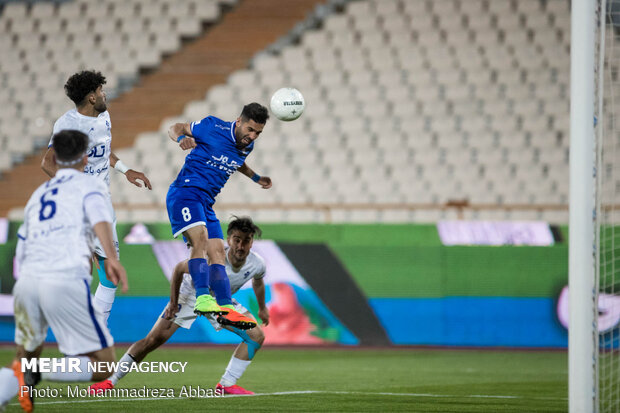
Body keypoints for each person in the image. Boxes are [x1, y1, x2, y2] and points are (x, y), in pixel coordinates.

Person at [0, 130, 129, 412]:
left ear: (55, 158)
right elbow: (99, 217)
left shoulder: (39, 193)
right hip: (64, 279)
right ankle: (30, 373)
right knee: (105, 364)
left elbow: (22, 243)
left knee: (28, 350)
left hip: (27, 281)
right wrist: (111, 257)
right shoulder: (90, 185)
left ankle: (15, 380)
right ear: (85, 158)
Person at [89, 216, 269, 395]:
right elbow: (179, 269)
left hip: (222, 302)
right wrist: (174, 303)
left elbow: (258, 282)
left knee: (256, 336)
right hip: (191, 294)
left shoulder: (257, 263)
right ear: (229, 240)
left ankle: (227, 384)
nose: (240, 246)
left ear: (252, 242)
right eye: (237, 240)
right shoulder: (214, 256)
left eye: (246, 241)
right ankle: (109, 380)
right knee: (152, 341)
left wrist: (262, 308)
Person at [41, 70, 151, 325]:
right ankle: (82, 332)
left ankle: (92, 330)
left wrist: (125, 170)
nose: (105, 95)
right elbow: (47, 163)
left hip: (102, 203)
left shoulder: (104, 117)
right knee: (84, 270)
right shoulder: (68, 125)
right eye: (101, 91)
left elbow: (103, 151)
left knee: (109, 274)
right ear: (91, 98)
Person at [166, 103, 271, 327]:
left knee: (218, 254)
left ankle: (226, 307)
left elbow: (237, 162)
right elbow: (175, 127)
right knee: (201, 240)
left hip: (206, 202)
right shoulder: (212, 126)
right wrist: (180, 139)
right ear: (239, 121)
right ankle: (203, 298)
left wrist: (256, 178)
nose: (253, 136)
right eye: (250, 129)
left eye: (258, 133)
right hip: (185, 193)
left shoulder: (246, 146)